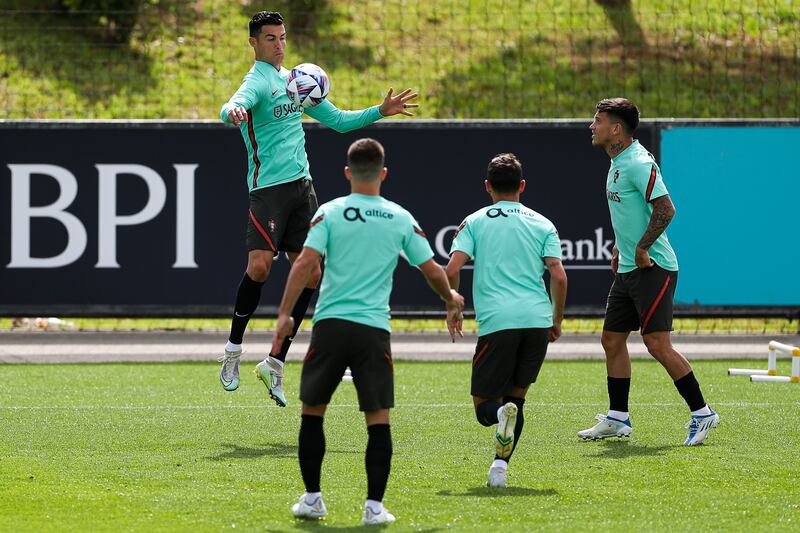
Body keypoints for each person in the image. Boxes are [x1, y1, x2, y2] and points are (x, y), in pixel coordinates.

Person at [217, 11, 418, 405]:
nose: (279, 44)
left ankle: (274, 363)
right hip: (268, 190)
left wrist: (381, 110)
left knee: (310, 274)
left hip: (301, 189)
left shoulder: (298, 81)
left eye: (283, 37)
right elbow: (232, 105)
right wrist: (233, 112)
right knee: (258, 267)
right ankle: (232, 351)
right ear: (254, 43)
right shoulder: (256, 82)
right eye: (271, 38)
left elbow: (339, 121)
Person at [270, 138, 463, 524]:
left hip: (330, 326)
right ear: (384, 174)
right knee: (378, 418)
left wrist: (284, 315)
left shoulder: (329, 212)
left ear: (347, 173)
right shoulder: (400, 217)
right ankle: (374, 508)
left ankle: (312, 500)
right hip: (373, 329)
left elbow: (305, 263)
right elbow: (432, 271)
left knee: (313, 412)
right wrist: (451, 297)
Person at [579, 97, 719, 445]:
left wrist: (641, 248)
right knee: (611, 340)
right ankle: (618, 418)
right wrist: (621, 248)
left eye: (598, 120)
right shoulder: (617, 160)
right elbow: (631, 214)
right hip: (628, 268)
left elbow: (666, 209)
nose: (591, 126)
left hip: (654, 267)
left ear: (616, 129)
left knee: (657, 343)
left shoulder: (638, 162)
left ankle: (703, 414)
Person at [445, 153, 568, 488]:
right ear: (522, 186)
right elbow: (558, 275)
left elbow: (452, 270)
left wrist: (453, 306)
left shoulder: (474, 221)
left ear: (488, 187)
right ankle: (499, 469)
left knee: (487, 406)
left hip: (498, 322)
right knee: (517, 398)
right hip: (536, 320)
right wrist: (555, 319)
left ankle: (500, 417)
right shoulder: (543, 223)